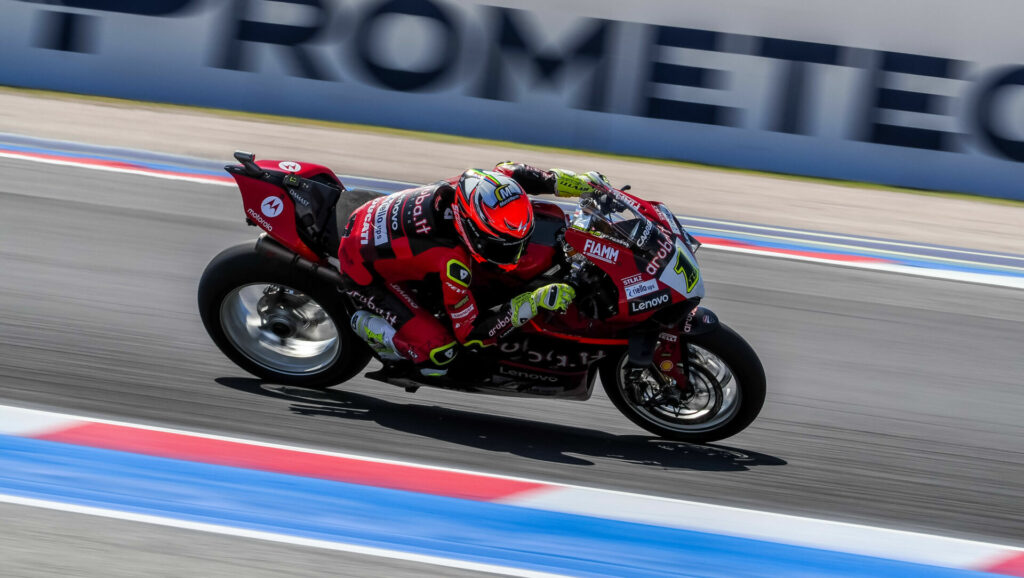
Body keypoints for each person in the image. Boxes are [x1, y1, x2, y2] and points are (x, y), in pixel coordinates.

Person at [336, 163, 611, 377]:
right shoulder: (452, 263)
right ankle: (372, 327)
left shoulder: (480, 183)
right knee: (438, 356)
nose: (519, 253)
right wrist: (532, 301)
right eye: (504, 246)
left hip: (377, 217)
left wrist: (578, 183)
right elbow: (471, 336)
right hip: (364, 271)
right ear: (471, 231)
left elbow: (514, 171)